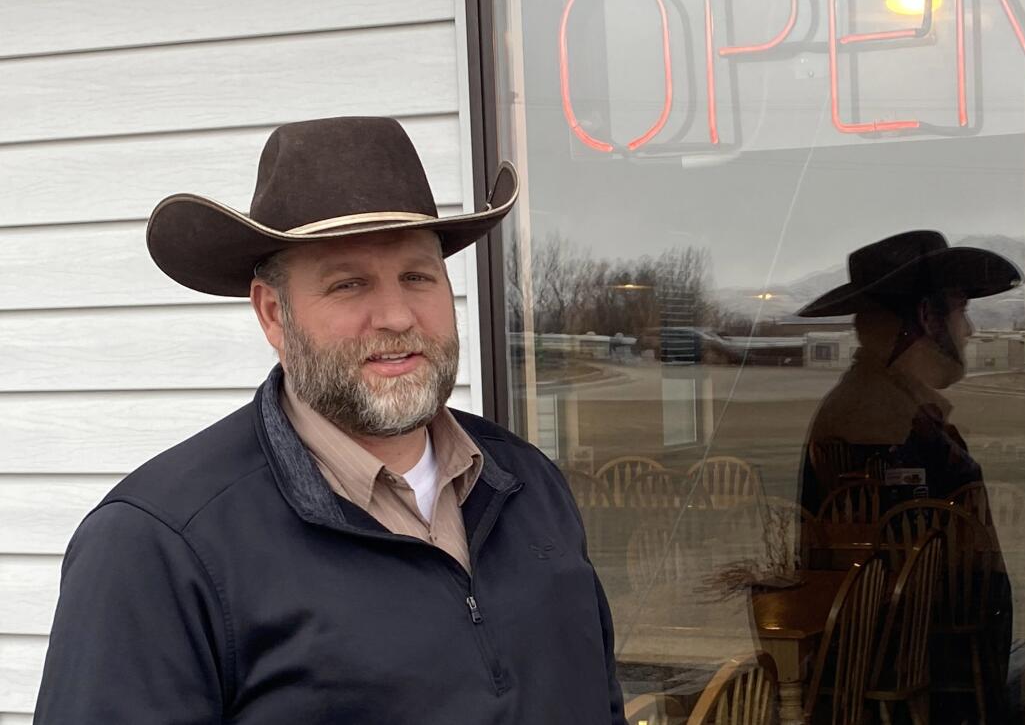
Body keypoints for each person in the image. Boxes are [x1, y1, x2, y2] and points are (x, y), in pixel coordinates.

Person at [33, 117, 626, 724]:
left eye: (418, 276)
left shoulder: (526, 481)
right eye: (349, 284)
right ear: (273, 314)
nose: (396, 315)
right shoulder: (157, 545)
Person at [795, 230, 1019, 723]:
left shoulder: (890, 408)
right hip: (907, 676)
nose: (970, 331)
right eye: (961, 311)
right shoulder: (877, 420)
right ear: (926, 317)